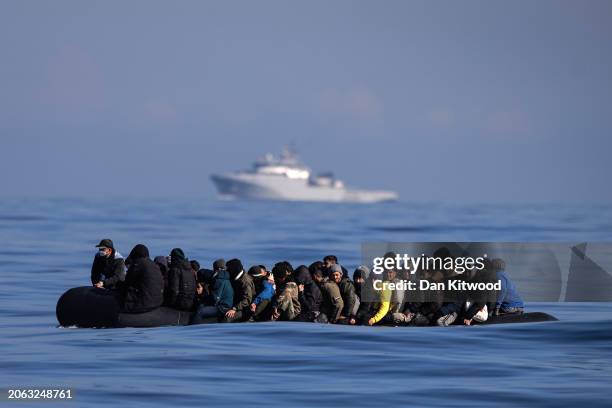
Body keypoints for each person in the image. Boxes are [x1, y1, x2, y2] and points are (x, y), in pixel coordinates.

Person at [121, 244, 164, 313]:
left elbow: (128, 282)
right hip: (158, 302)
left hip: (144, 304)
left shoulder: (138, 263)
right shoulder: (154, 265)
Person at [223, 259, 256, 323]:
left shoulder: (245, 281)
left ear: (234, 270)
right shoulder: (236, 277)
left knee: (227, 319)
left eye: (229, 269)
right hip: (237, 305)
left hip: (245, 309)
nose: (227, 271)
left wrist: (235, 308)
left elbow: (247, 299)